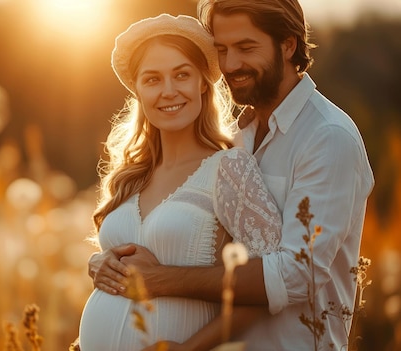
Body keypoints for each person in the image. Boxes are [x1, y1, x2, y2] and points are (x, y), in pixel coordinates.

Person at [89, 1, 375, 350]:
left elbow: (297, 274)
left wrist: (160, 281)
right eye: (221, 50)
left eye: (246, 47)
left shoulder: (327, 136)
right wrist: (103, 264)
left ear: (288, 44)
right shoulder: (242, 136)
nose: (230, 65)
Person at [78, 13, 283, 351]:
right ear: (138, 90)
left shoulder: (230, 167)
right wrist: (98, 265)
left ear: (204, 82)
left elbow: (263, 289)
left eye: (182, 75)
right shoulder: (131, 174)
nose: (168, 91)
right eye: (153, 79)